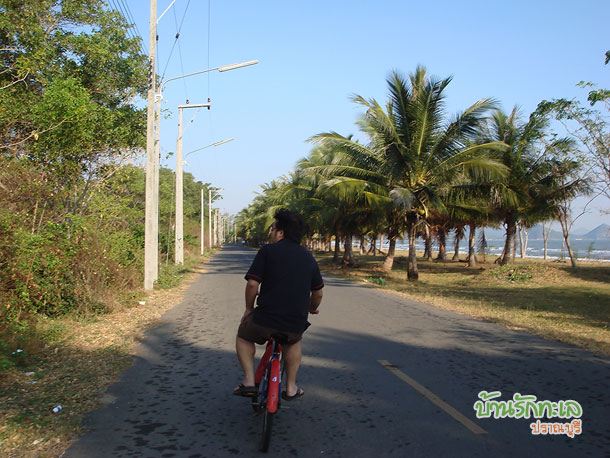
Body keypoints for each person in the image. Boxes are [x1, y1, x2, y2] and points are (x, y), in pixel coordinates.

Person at [234, 209, 324, 400]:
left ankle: (249, 380)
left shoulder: (268, 251)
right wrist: (311, 308)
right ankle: (290, 387)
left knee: (243, 336)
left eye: (273, 229)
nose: (271, 233)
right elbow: (318, 292)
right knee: (293, 343)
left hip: (264, 319)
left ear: (281, 232)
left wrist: (249, 309)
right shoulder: (309, 257)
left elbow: (252, 284)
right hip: (294, 322)